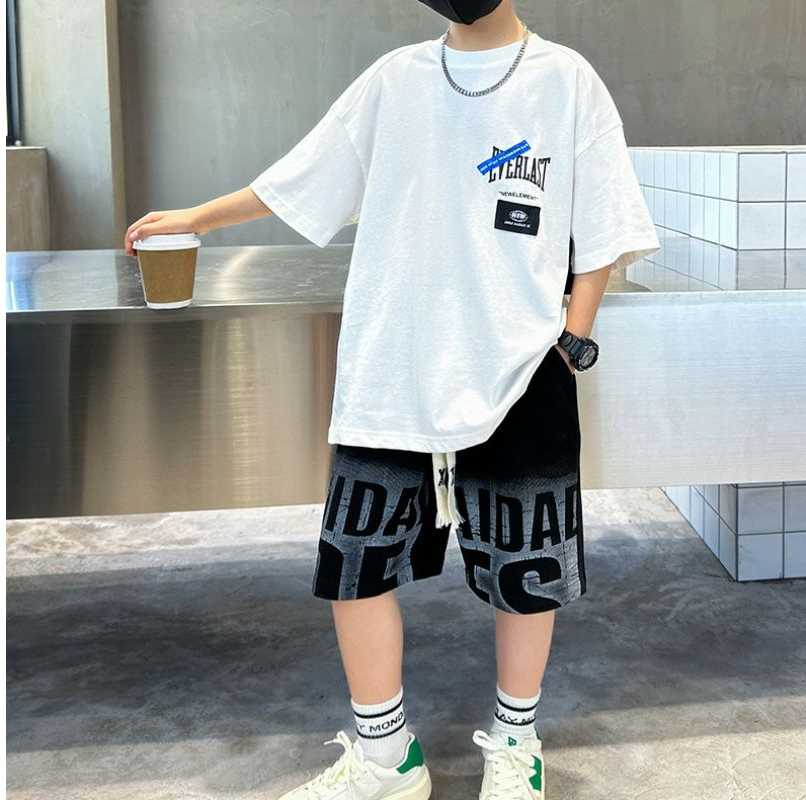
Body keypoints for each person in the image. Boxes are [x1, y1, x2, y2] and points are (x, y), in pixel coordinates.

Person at [124, 1, 661, 797]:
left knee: (526, 572)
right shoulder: (395, 80)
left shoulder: (567, 82)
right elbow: (304, 175)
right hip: (392, 367)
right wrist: (202, 217)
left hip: (522, 366)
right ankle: (386, 758)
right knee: (356, 565)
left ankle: (516, 743)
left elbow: (604, 227)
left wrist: (571, 342)